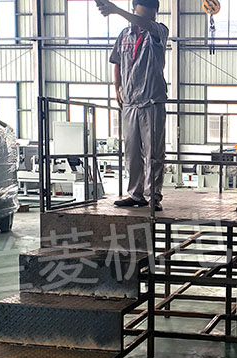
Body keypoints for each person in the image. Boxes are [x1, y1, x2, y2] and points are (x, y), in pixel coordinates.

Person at [97, 0, 168, 211]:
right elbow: (117, 62)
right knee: (132, 152)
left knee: (154, 152)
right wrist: (117, 88)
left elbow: (146, 24)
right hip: (129, 102)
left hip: (152, 102)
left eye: (149, 17)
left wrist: (116, 10)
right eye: (141, 15)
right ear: (134, 11)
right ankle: (136, 194)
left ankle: (153, 195)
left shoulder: (158, 31)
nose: (144, 21)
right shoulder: (124, 36)